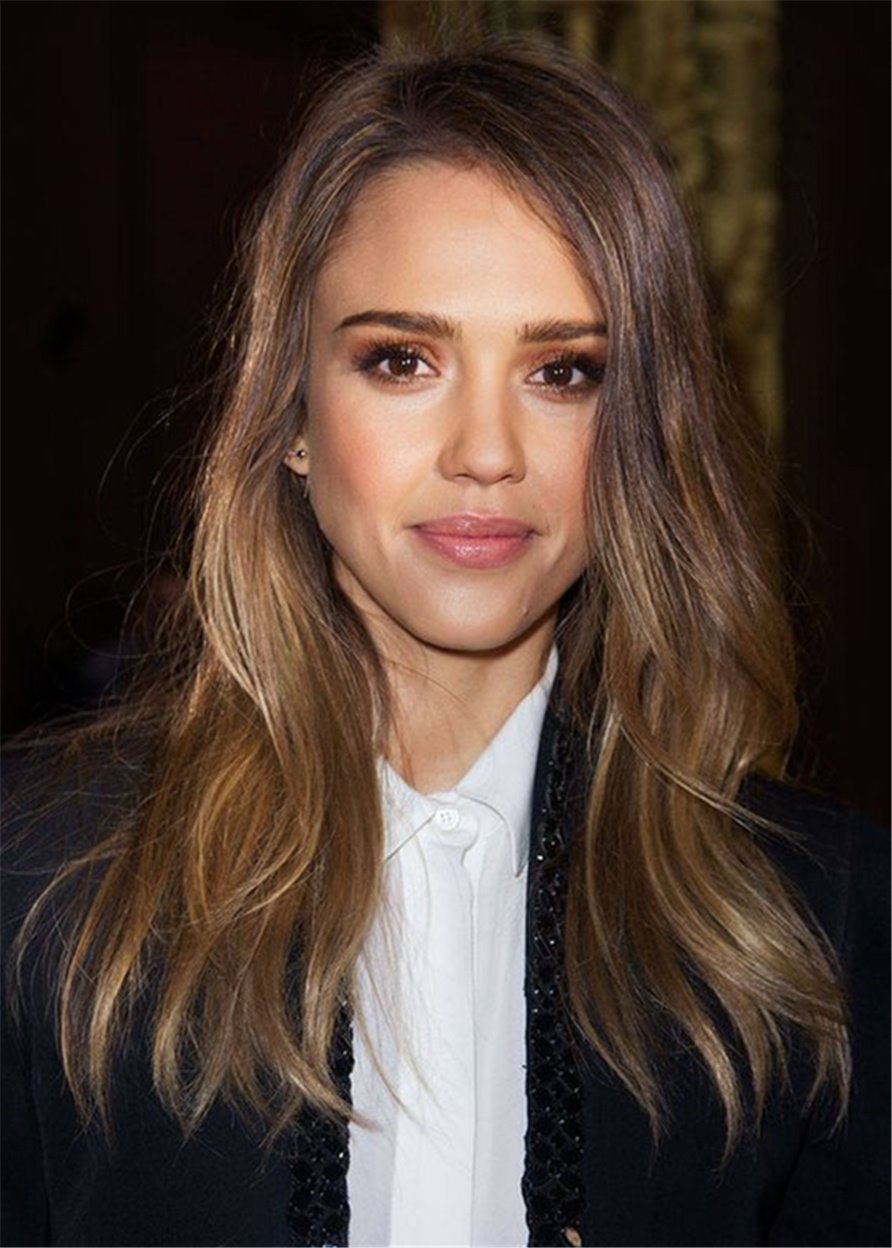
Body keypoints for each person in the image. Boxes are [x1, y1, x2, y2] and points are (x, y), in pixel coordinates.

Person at [2, 35, 888, 1248]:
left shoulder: (820, 921)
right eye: (402, 360)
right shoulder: (40, 886)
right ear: (291, 416)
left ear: (640, 431)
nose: (484, 452)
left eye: (562, 372)